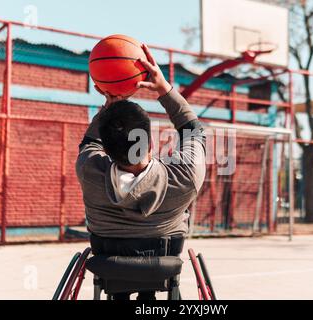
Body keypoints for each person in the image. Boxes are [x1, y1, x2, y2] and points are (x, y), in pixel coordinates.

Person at [75, 44, 206, 300]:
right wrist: (164, 89)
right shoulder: (185, 177)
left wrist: (111, 107)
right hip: (161, 266)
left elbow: (89, 143)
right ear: (152, 143)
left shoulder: (89, 169)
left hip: (109, 268)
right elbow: (194, 131)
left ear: (107, 150)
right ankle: (149, 298)